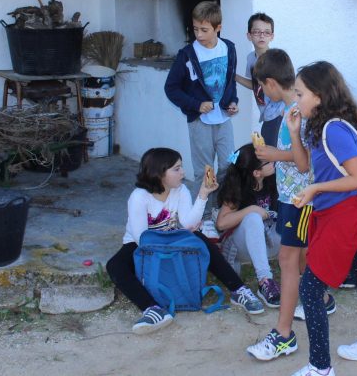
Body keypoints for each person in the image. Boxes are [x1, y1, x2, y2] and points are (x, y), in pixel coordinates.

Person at [289, 61, 357, 376]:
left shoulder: (335, 128)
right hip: (332, 213)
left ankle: (320, 367)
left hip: (343, 215)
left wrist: (317, 189)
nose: (296, 98)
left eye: (300, 93)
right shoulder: (315, 124)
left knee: (310, 288)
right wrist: (293, 133)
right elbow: (304, 167)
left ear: (319, 95)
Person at [106, 148, 263, 335]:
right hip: (142, 244)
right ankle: (152, 309)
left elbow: (189, 224)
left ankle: (239, 290)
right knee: (115, 265)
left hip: (174, 237)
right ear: (159, 173)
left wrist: (203, 193)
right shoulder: (139, 197)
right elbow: (141, 238)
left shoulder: (180, 190)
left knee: (201, 241)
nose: (183, 172)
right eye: (176, 169)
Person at [246, 49, 336, 362]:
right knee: (296, 260)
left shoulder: (297, 111)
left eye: (262, 86)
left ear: (270, 83)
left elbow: (304, 161)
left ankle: (284, 334)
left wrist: (274, 155)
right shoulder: (291, 110)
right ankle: (321, 298)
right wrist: (270, 163)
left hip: (301, 198)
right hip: (291, 196)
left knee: (288, 259)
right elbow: (293, 157)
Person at [164, 1, 239, 188]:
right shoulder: (187, 54)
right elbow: (171, 88)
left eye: (204, 30)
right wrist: (196, 105)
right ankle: (204, 213)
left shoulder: (229, 48)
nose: (198, 35)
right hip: (199, 122)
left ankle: (223, 210)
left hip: (224, 121)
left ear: (218, 28)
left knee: (230, 165)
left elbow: (229, 81)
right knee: (204, 171)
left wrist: (233, 102)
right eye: (195, 29)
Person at [216, 143, 281, 309]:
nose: (273, 162)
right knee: (252, 218)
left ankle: (308, 272)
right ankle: (265, 281)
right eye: (268, 161)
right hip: (243, 247)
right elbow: (221, 223)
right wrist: (250, 210)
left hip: (269, 241)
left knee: (301, 215)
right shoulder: (238, 187)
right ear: (256, 172)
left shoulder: (273, 179)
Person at [235, 12, 285, 146]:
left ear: (272, 36)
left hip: (279, 114)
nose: (262, 36)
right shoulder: (251, 58)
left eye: (267, 32)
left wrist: (284, 111)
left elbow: (288, 87)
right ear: (249, 36)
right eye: (257, 32)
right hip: (267, 115)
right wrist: (234, 76)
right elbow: (255, 85)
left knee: (273, 152)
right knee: (267, 150)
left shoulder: (277, 59)